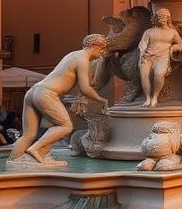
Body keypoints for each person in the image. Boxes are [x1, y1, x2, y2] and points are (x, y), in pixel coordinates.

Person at [8, 34, 110, 167]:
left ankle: (13, 162)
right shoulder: (82, 59)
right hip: (46, 93)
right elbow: (85, 88)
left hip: (33, 91)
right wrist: (101, 99)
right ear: (94, 46)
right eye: (102, 50)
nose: (102, 54)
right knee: (66, 126)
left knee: (29, 135)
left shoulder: (72, 55)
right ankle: (36, 150)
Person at [138, 8, 182, 108]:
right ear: (156, 19)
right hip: (148, 56)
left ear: (168, 19)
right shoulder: (149, 32)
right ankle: (148, 98)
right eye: (160, 17)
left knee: (159, 74)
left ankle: (155, 97)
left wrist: (174, 47)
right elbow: (142, 45)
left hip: (163, 56)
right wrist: (142, 54)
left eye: (165, 17)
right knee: (144, 76)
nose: (163, 19)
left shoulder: (172, 32)